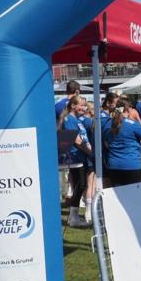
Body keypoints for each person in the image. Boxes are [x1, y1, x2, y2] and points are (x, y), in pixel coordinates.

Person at [58, 95, 94, 227]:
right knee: (80, 185)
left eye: (85, 105)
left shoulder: (77, 120)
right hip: (75, 158)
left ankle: (74, 216)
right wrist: (91, 152)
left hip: (81, 156)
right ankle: (73, 217)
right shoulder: (69, 119)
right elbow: (77, 141)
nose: (84, 108)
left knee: (81, 185)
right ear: (73, 106)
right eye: (81, 105)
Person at [103, 98, 141, 187]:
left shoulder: (108, 124)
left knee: (117, 194)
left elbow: (106, 143)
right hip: (131, 165)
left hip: (114, 165)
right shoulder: (133, 124)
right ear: (128, 109)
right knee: (133, 194)